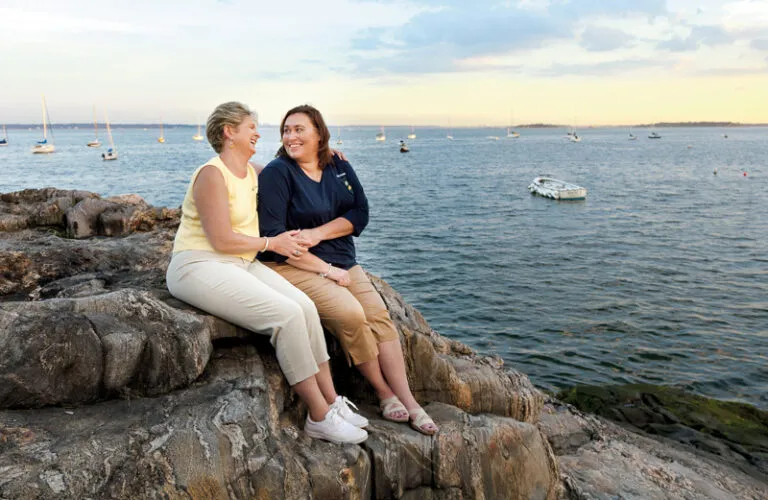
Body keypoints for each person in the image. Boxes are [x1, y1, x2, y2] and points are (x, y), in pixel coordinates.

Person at [166, 101, 368, 445]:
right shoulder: (211, 174)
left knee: (304, 306)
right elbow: (221, 238)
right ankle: (318, 416)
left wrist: (329, 154)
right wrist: (271, 243)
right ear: (230, 132)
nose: (258, 133)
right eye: (251, 127)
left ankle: (333, 402)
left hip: (241, 263)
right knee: (286, 316)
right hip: (198, 264)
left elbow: (288, 166)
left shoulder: (252, 170)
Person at [258, 104, 439, 435]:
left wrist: (318, 233)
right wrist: (325, 269)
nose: (290, 135)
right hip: (295, 264)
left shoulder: (337, 165)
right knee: (352, 314)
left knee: (378, 316)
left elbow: (360, 213)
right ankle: (384, 393)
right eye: (286, 130)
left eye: (299, 129)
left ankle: (410, 401)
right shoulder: (277, 173)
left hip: (342, 258)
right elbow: (274, 237)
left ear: (319, 134)